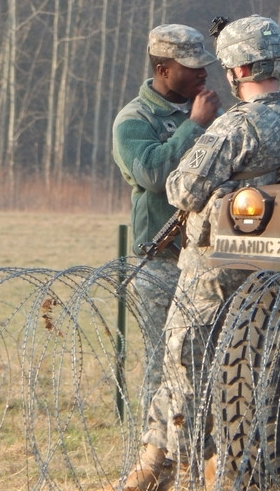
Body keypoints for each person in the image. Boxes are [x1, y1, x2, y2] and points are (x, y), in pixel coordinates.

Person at [117, 15, 280, 490]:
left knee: (184, 362)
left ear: (237, 70)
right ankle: (153, 463)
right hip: (278, 261)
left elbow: (182, 189)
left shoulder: (236, 126)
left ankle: (187, 467)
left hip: (216, 265)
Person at [111, 24, 221, 416]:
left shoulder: (212, 112)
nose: (203, 72)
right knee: (164, 363)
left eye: (204, 63)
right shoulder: (134, 120)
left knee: (209, 363)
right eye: (191, 66)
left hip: (207, 259)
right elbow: (154, 176)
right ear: (163, 69)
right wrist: (195, 126)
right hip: (161, 261)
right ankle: (152, 458)